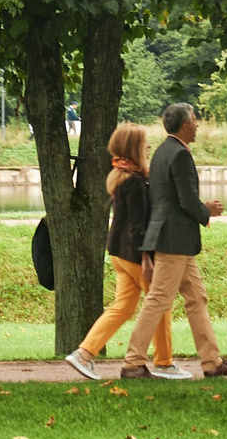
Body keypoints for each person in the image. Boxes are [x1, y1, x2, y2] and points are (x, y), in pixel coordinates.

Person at [124, 103, 227, 381]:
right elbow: (186, 200)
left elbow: (168, 199)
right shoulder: (179, 155)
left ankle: (212, 362)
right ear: (186, 125)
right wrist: (207, 211)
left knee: (196, 297)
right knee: (159, 300)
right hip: (173, 239)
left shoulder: (163, 152)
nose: (198, 124)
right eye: (195, 119)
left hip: (173, 238)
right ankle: (132, 362)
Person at [67, 124, 172, 380]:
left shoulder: (122, 175)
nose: (148, 146)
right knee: (160, 305)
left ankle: (84, 353)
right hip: (135, 256)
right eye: (145, 143)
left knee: (123, 307)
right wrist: (147, 257)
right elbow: (138, 226)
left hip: (118, 254)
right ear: (134, 147)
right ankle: (164, 363)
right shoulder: (134, 182)